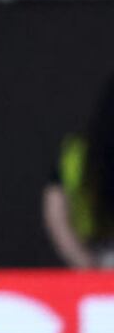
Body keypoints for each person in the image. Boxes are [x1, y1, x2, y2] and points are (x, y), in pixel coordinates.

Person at [42, 72, 114, 269]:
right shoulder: (79, 153)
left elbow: (54, 209)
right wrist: (86, 264)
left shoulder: (77, 152)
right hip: (102, 255)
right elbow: (55, 208)